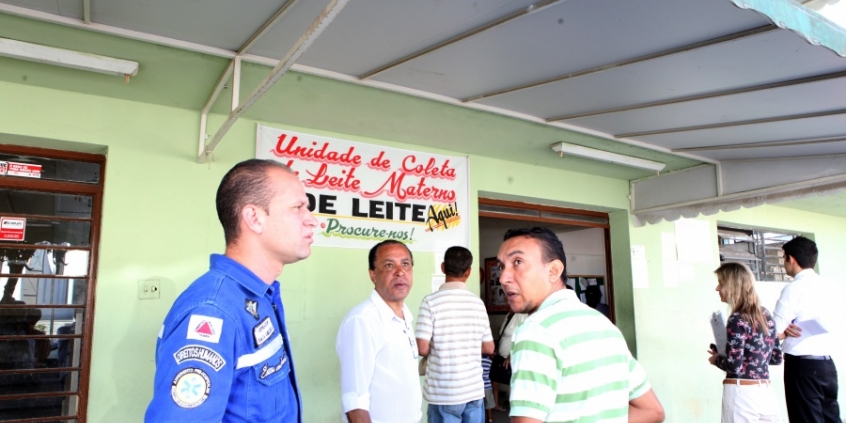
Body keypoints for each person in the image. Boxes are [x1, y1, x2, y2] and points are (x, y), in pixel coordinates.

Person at [145, 159, 317, 422]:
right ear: (254, 218)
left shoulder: (260, 296)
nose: (312, 221)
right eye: (298, 208)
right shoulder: (213, 311)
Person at [497, 227, 665, 423]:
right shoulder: (605, 326)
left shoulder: (536, 329)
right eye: (502, 266)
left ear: (553, 270)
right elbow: (651, 411)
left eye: (518, 262)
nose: (503, 278)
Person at [336, 240, 422, 423]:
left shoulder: (405, 316)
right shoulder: (362, 321)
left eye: (405, 264)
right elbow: (355, 403)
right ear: (373, 274)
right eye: (389, 265)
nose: (400, 271)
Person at [415, 246, 495, 423]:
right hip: (473, 390)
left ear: (443, 267)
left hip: (443, 392)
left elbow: (421, 348)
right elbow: (489, 347)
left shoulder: (430, 302)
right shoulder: (477, 303)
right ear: (469, 272)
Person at [773, 236, 841, 423]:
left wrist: (786, 331)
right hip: (827, 366)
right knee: (831, 418)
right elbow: (830, 322)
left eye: (784, 257)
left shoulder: (794, 288)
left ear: (791, 259)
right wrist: (807, 327)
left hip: (802, 367)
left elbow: (773, 332)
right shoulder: (829, 286)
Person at [707, 262, 783, 423]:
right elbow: (776, 358)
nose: (717, 288)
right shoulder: (765, 315)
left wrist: (717, 360)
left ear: (733, 285)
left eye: (721, 283)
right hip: (766, 392)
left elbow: (734, 366)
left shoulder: (736, 319)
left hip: (741, 394)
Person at [492, 310, 528, 410]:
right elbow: (503, 335)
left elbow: (524, 336)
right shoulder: (509, 314)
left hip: (513, 357)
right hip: (501, 356)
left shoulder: (521, 314)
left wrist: (511, 355)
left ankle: (518, 412)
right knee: (496, 379)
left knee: (515, 385)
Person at [482, 354, 495, 423]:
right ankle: (490, 418)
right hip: (487, 385)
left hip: (478, 386)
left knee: (480, 404)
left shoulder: (478, 359)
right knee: (488, 403)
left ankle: (481, 419)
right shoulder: (489, 361)